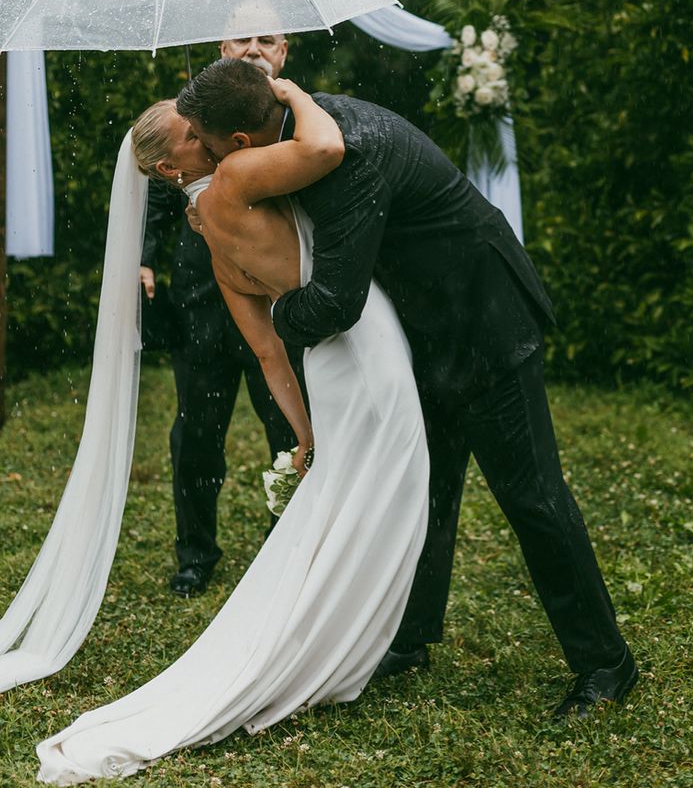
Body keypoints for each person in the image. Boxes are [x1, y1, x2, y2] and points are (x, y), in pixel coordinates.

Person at [179, 58, 638, 719]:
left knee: (532, 497)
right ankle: (412, 637)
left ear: (243, 143)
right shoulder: (300, 132)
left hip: (484, 322)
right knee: (427, 489)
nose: (206, 158)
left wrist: (272, 309)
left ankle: (605, 664)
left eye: (210, 145)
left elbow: (334, 303)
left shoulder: (345, 160)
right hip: (423, 336)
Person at [36, 78, 429, 782]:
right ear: (171, 166)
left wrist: (308, 436)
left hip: (331, 373)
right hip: (367, 344)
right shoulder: (244, 174)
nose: (210, 133)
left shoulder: (214, 239)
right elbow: (327, 144)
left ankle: (345, 642)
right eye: (192, 133)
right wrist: (288, 86)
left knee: (358, 499)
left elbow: (273, 353)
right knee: (396, 499)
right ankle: (353, 646)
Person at [141, 33, 296, 597]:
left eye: (267, 39)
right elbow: (157, 195)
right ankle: (195, 554)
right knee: (197, 435)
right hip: (201, 302)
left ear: (285, 53)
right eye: (241, 39)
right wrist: (145, 260)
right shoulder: (185, 129)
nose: (254, 49)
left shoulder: (289, 125)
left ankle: (293, 540)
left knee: (285, 424)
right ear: (221, 48)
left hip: (274, 305)